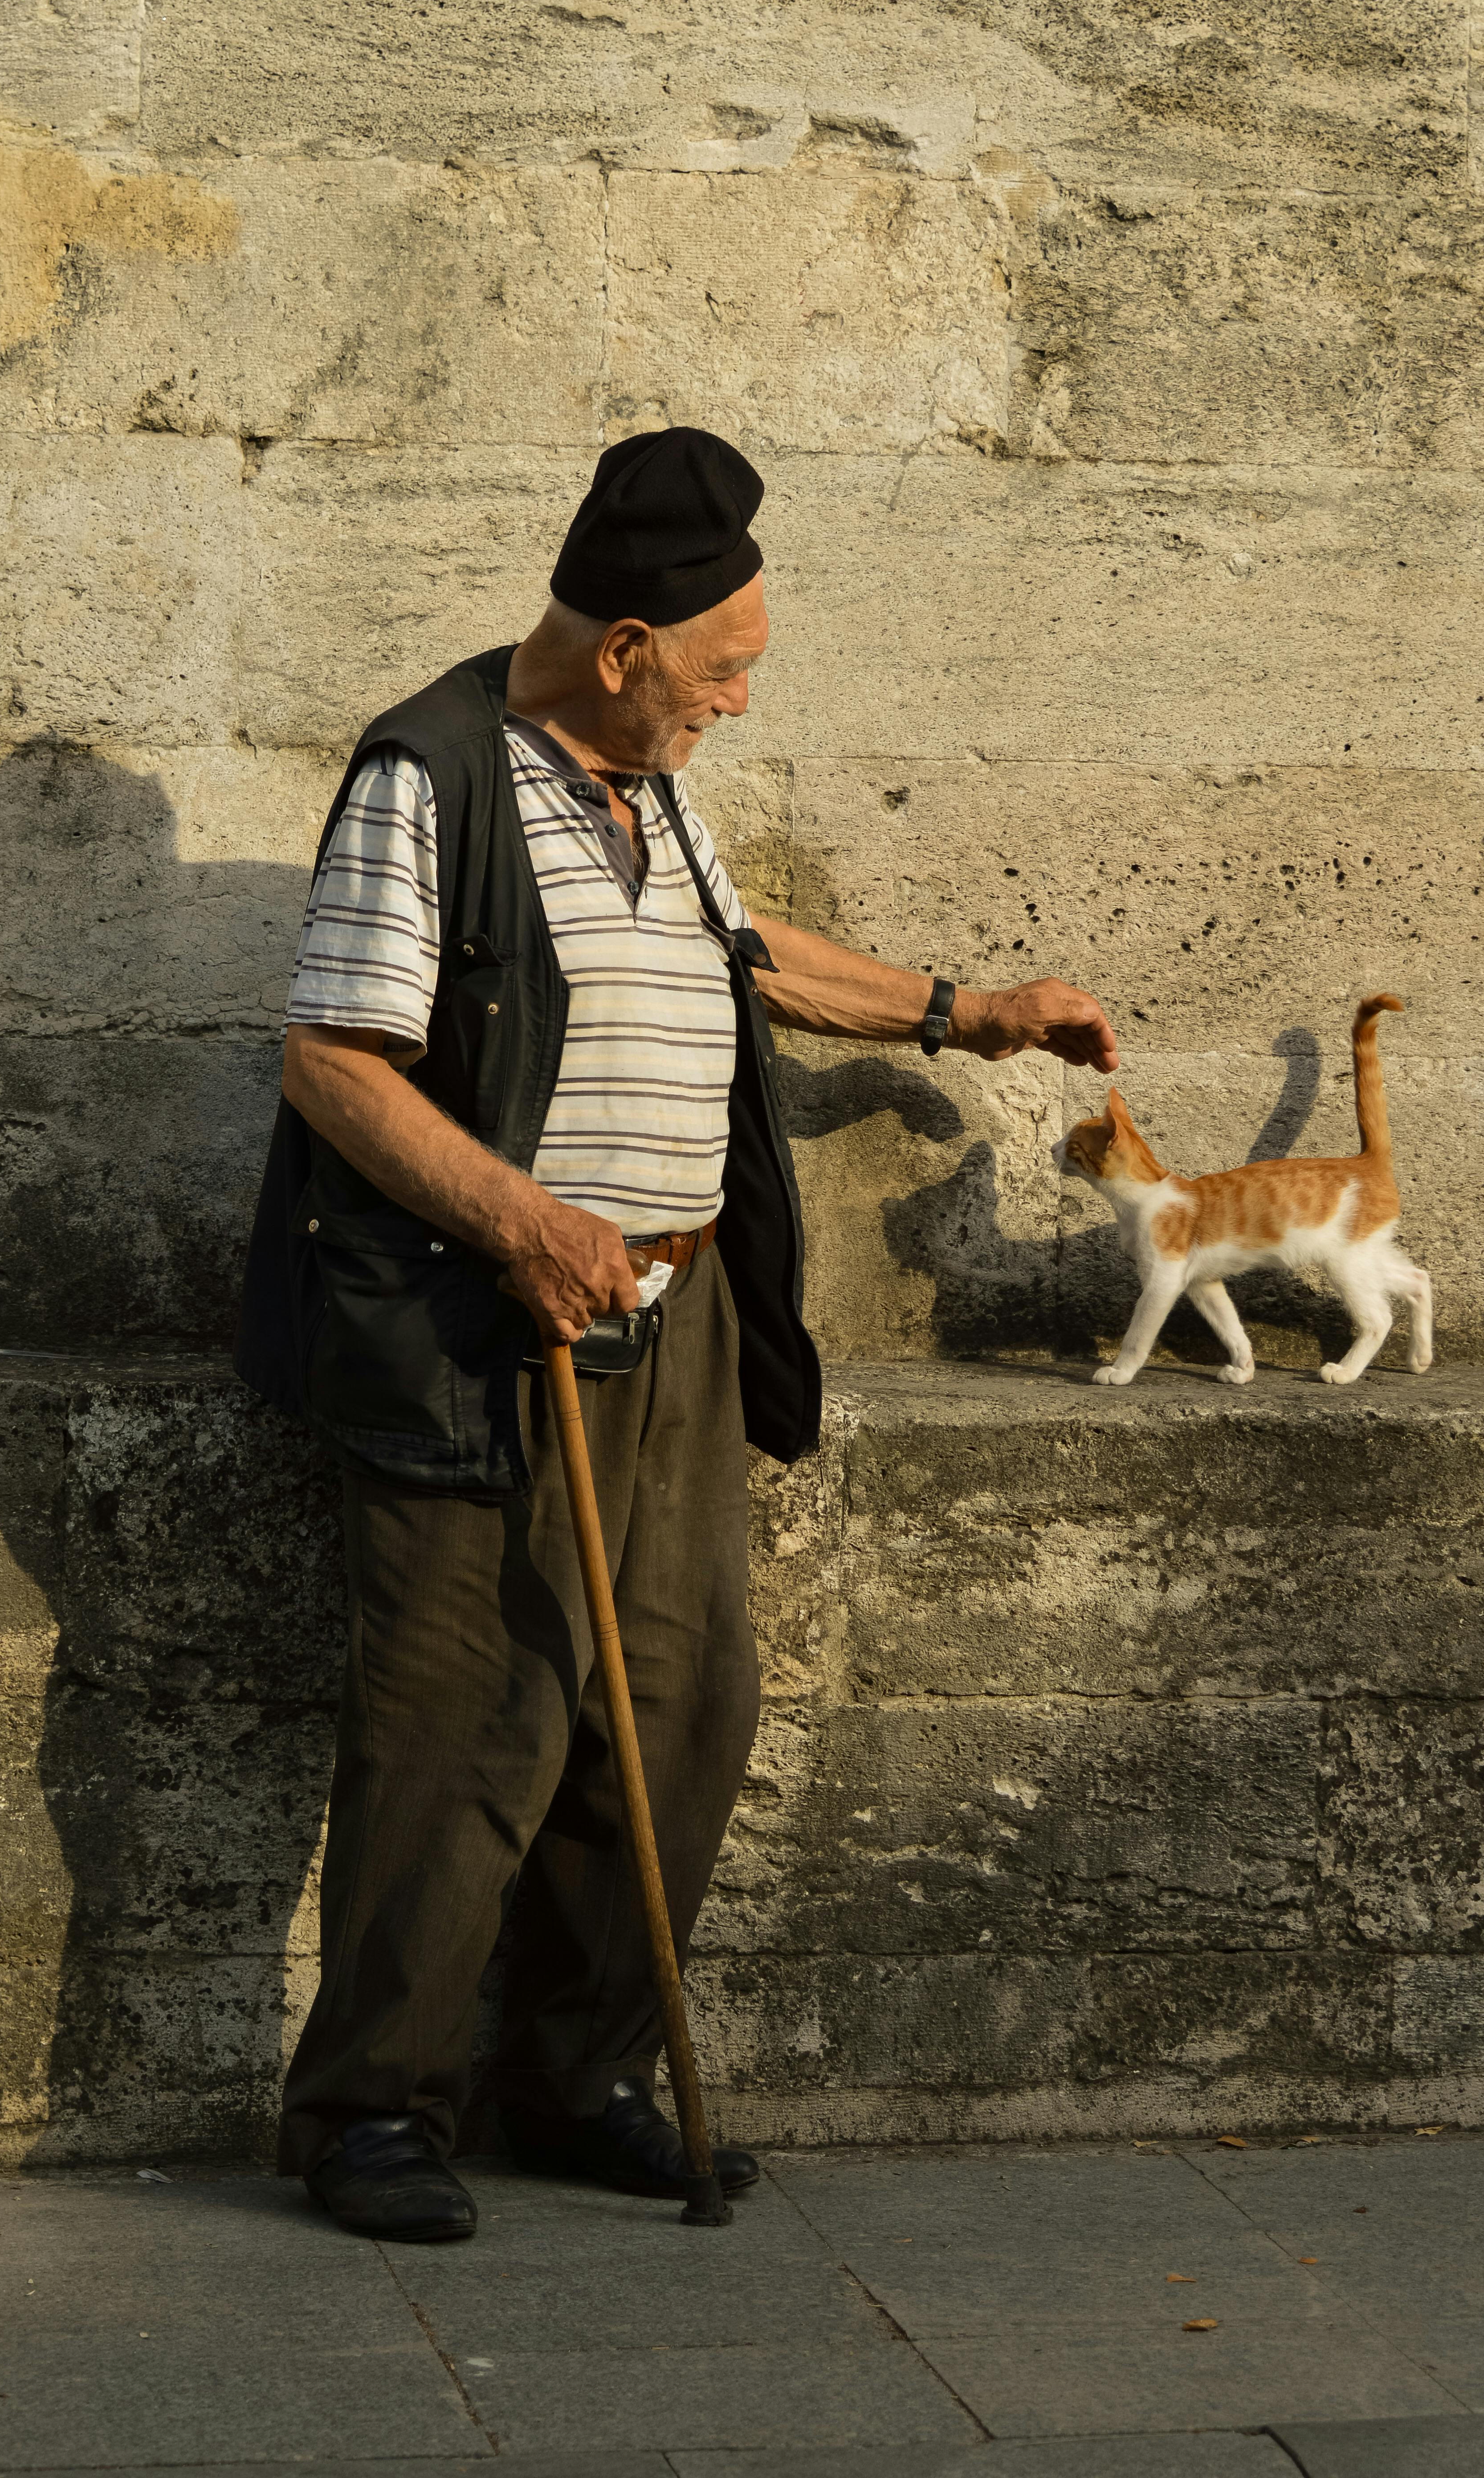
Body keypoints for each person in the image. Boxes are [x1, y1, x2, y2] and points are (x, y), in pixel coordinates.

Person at [235, 426, 1118, 2242]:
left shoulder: (650, 787)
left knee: (678, 1704)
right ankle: (365, 2112)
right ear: (625, 647)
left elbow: (750, 950)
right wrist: (516, 1215)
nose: (736, 705)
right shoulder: (433, 772)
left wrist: (974, 1011)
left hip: (679, 1307)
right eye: (721, 674)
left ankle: (574, 2078)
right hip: (490, 1323)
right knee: (467, 1714)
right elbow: (331, 1058)